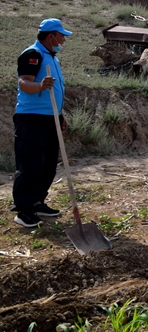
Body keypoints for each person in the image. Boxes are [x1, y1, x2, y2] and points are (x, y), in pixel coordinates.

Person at [12, 18, 72, 228]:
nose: (63, 40)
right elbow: (23, 82)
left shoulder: (52, 58)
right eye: (61, 36)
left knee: (47, 165)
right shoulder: (33, 54)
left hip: (50, 117)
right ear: (51, 36)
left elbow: (54, 93)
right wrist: (39, 85)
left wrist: (60, 115)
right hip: (31, 118)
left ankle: (37, 202)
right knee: (30, 164)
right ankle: (23, 210)